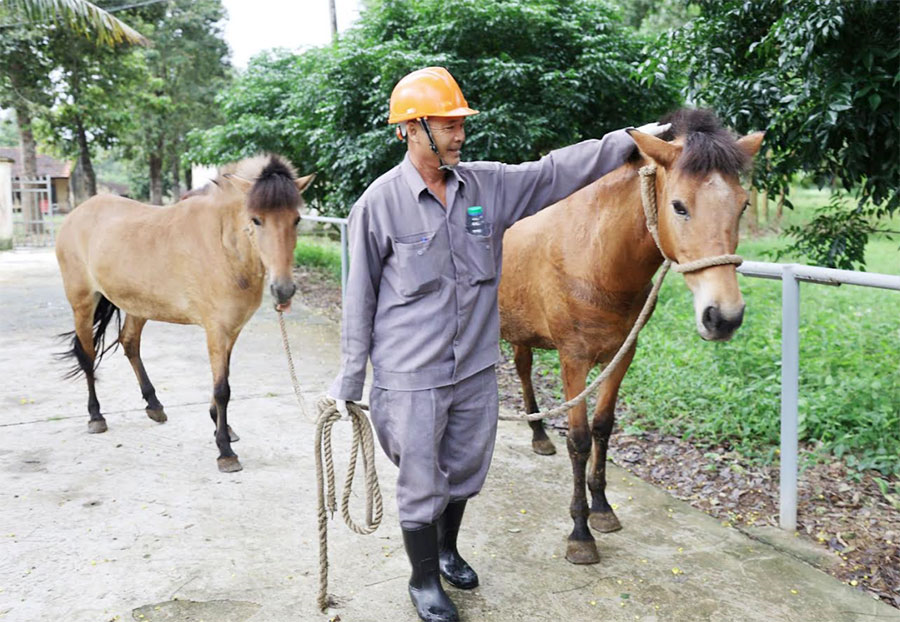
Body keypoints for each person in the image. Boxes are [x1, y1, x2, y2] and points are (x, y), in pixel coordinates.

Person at [328, 66, 669, 622]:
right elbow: (359, 296)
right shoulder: (379, 204)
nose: (460, 135)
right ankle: (423, 580)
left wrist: (632, 138)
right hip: (411, 376)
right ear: (411, 129)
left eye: (461, 124)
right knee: (421, 481)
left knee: (465, 469)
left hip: (473, 370)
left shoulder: (487, 187)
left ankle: (446, 551)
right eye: (448, 125)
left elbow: (556, 171)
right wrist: (349, 379)